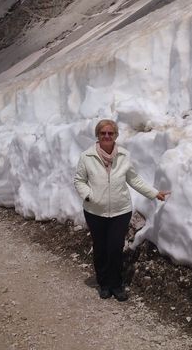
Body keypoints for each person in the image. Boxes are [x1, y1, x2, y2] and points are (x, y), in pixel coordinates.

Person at [73, 119, 170, 301]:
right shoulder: (87, 157)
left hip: (120, 211)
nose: (107, 136)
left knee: (115, 248)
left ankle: (116, 285)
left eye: (111, 133)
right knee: (100, 248)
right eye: (103, 133)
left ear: (116, 135)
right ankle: (104, 283)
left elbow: (134, 180)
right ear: (98, 136)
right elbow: (79, 180)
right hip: (95, 211)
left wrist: (155, 193)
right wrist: (88, 195)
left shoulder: (123, 156)